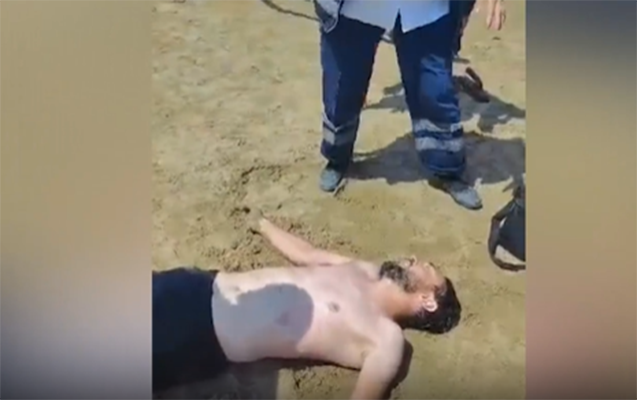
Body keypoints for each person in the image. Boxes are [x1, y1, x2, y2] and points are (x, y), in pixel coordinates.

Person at [153, 215, 462, 400]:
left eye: (427, 267)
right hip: (200, 283)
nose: (416, 259)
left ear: (429, 300)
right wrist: (263, 225)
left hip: (201, 330)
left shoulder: (386, 339)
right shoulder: (365, 269)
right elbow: (308, 255)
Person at [313, 0, 506, 210]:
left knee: (434, 88)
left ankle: (447, 168)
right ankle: (337, 156)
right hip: (354, 7)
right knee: (342, 86)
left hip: (423, 7)